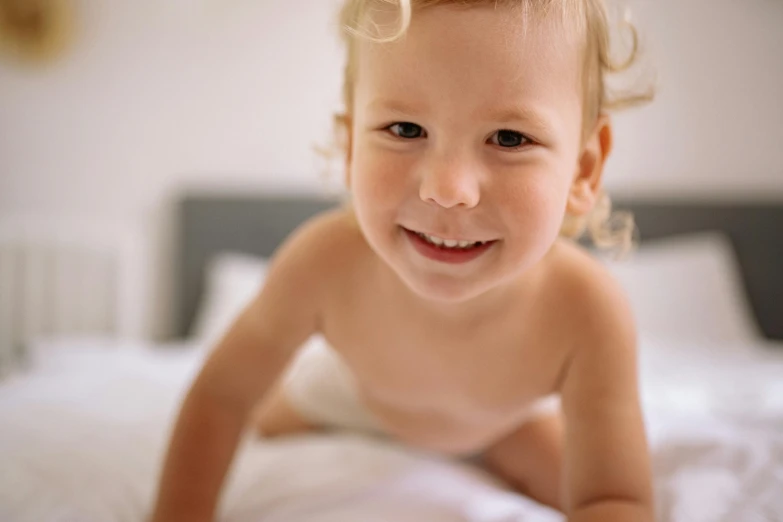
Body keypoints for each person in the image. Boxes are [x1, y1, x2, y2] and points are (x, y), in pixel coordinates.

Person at [151, 1, 655, 520]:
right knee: (265, 419)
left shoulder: (587, 312)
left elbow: (615, 495)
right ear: (349, 148)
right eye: (406, 129)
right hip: (347, 397)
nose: (448, 190)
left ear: (583, 169)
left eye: (509, 138)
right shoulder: (322, 265)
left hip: (498, 424)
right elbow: (222, 398)